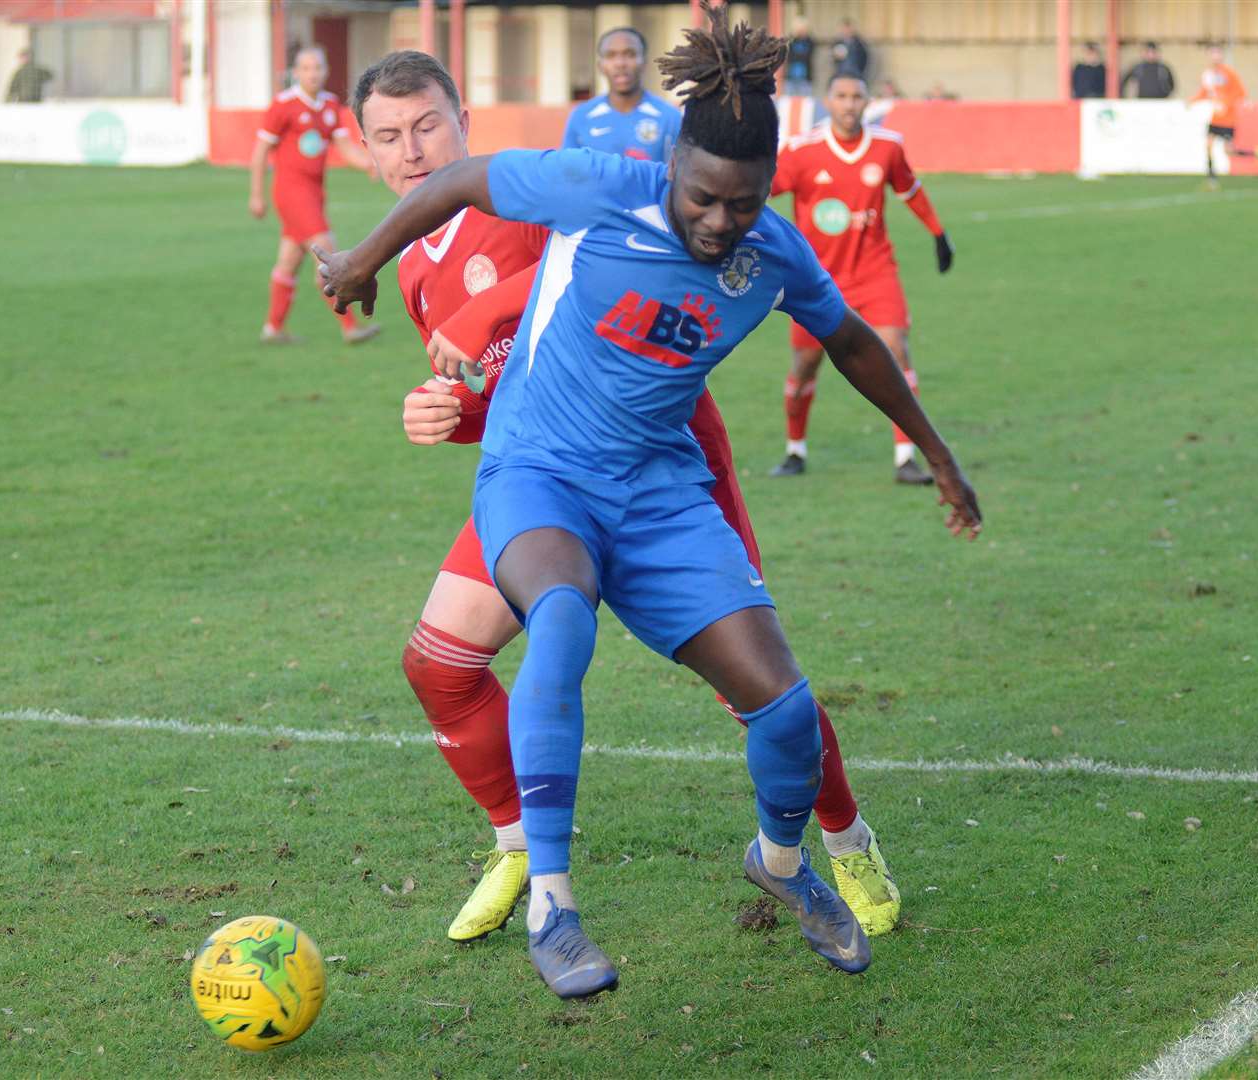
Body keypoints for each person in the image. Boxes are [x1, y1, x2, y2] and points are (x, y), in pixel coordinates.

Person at [319, 3, 982, 999]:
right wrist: (357, 262)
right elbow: (461, 180)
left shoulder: (774, 254)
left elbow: (848, 340)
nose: (720, 223)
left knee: (784, 708)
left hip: (661, 488)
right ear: (672, 167)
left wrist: (935, 454)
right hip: (538, 473)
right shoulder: (600, 185)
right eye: (705, 198)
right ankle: (551, 900)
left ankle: (786, 862)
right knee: (555, 621)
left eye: (744, 203)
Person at [768, 74, 954, 484]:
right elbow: (759, 193)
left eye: (857, 97)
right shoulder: (801, 152)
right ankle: (795, 450)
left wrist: (938, 233)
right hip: (817, 281)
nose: (849, 105)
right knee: (805, 366)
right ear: (827, 101)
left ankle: (906, 458)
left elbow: (910, 190)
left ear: (867, 102)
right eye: (841, 97)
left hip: (874, 271)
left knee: (896, 351)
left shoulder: (887, 146)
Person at [248, 47, 381, 346]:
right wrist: (257, 195)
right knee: (328, 255)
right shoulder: (283, 105)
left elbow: (344, 147)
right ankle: (350, 327)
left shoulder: (330, 105)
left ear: (326, 70)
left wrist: (369, 164)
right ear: (297, 73)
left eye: (318, 67)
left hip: (314, 193)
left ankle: (273, 328)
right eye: (306, 68)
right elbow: (259, 153)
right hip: (291, 193)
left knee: (289, 261)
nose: (313, 73)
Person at [562, 27, 681, 162]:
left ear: (644, 62)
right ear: (600, 65)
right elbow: (568, 173)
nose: (620, 63)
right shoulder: (581, 117)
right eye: (611, 55)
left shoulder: (670, 117)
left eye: (630, 54)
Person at [1189, 44, 1258, 186]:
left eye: (1217, 53)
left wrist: (1226, 104)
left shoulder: (1229, 74)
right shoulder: (1208, 74)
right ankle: (1211, 178)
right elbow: (1205, 92)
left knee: (1229, 151)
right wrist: (1193, 101)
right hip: (1216, 118)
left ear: (1221, 56)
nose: (1214, 56)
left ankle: (1256, 154)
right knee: (1208, 144)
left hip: (1228, 119)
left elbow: (1240, 92)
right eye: (1212, 53)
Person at [784, 18, 815, 98]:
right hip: (791, 76)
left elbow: (807, 56)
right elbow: (789, 55)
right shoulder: (791, 41)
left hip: (805, 77)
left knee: (806, 101)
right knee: (789, 100)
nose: (801, 31)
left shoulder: (809, 42)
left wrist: (797, 55)